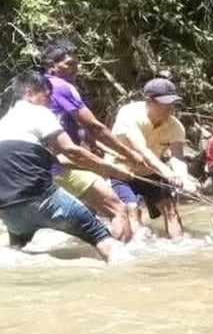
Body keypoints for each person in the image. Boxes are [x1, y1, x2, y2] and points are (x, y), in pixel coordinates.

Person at [0, 70, 133, 262]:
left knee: (17, 251)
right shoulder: (38, 112)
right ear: (29, 93)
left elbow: (55, 159)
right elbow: (71, 150)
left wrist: (97, 167)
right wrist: (112, 169)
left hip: (9, 211)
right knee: (104, 240)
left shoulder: (4, 124)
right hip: (45, 200)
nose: (49, 103)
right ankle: (129, 281)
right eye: (46, 97)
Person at [41, 39, 145, 242]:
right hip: (59, 165)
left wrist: (113, 153)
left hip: (32, 165)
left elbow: (82, 132)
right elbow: (94, 126)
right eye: (69, 64)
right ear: (52, 65)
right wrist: (130, 153)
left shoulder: (35, 87)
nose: (75, 69)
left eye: (76, 64)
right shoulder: (61, 87)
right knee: (118, 209)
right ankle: (121, 263)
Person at [107, 78, 199, 239]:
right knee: (132, 208)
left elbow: (177, 158)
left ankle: (180, 247)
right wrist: (167, 172)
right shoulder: (129, 114)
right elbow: (141, 150)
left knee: (170, 208)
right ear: (148, 100)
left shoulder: (175, 126)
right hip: (121, 170)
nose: (169, 108)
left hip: (151, 171)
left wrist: (184, 179)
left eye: (172, 103)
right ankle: (137, 251)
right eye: (164, 104)